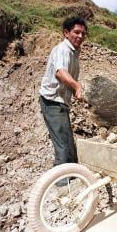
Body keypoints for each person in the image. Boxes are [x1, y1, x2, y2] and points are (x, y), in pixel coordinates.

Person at [39, 16, 87, 177]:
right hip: (52, 101)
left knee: (68, 141)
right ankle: (61, 182)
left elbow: (68, 79)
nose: (80, 36)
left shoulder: (74, 52)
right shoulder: (63, 49)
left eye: (83, 34)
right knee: (63, 144)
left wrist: (78, 91)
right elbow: (60, 73)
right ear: (66, 33)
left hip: (61, 102)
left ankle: (73, 175)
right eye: (76, 32)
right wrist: (76, 86)